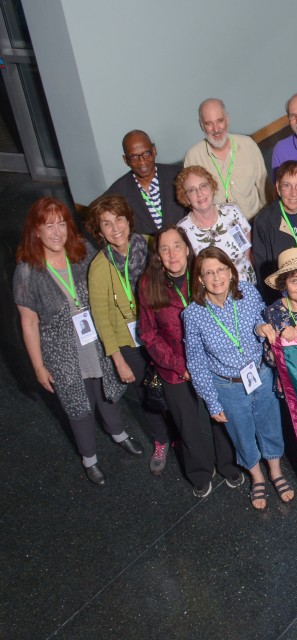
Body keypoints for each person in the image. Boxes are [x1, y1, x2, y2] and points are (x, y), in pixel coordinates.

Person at [14, 198, 142, 485]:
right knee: (79, 406)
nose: (57, 232)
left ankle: (119, 433)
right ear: (36, 230)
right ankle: (89, 458)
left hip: (96, 340)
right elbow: (29, 322)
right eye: (49, 225)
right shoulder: (26, 271)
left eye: (62, 224)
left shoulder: (81, 253)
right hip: (62, 351)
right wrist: (38, 366)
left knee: (108, 392)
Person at [182, 247, 291, 510]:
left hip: (261, 374)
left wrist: (262, 327)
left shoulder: (248, 292)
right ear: (200, 279)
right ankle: (257, 477)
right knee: (242, 434)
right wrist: (212, 402)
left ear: (231, 271)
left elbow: (259, 318)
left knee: (270, 424)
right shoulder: (193, 314)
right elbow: (196, 362)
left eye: (221, 269)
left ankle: (276, 471)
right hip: (227, 386)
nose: (216, 277)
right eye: (209, 272)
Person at [138, 225, 243, 497]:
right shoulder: (149, 284)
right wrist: (180, 366)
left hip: (214, 363)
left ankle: (228, 464)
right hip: (175, 368)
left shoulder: (204, 274)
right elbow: (148, 335)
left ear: (187, 248)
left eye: (177, 245)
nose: (172, 253)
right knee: (187, 425)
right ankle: (199, 472)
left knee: (220, 417)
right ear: (158, 255)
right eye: (164, 248)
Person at [85, 194, 170, 474]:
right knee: (146, 392)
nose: (115, 228)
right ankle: (161, 440)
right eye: (106, 224)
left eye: (119, 219)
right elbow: (101, 318)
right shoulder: (98, 267)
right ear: (99, 232)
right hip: (128, 340)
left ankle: (181, 433)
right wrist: (118, 358)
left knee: (172, 383)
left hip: (160, 329)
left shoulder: (149, 245)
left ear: (128, 219)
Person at [184, 98, 268, 220]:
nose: (216, 129)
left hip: (256, 223)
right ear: (201, 125)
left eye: (220, 121)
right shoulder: (193, 157)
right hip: (221, 232)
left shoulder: (248, 145)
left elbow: (265, 188)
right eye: (209, 123)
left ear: (227, 119)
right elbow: (192, 203)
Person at [252, 160, 297, 299]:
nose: (293, 193)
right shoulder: (263, 221)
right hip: (284, 297)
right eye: (287, 186)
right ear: (278, 187)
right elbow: (263, 271)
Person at [175, 165, 256, 283]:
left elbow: (246, 251)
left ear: (212, 188)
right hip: (214, 293)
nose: (200, 193)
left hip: (247, 286)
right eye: (192, 190)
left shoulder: (232, 212)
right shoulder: (182, 230)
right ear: (186, 198)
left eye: (203, 186)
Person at [103, 129, 188, 238]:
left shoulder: (179, 175)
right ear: (125, 160)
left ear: (154, 150)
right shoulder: (117, 192)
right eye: (134, 157)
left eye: (146, 153)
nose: (142, 162)